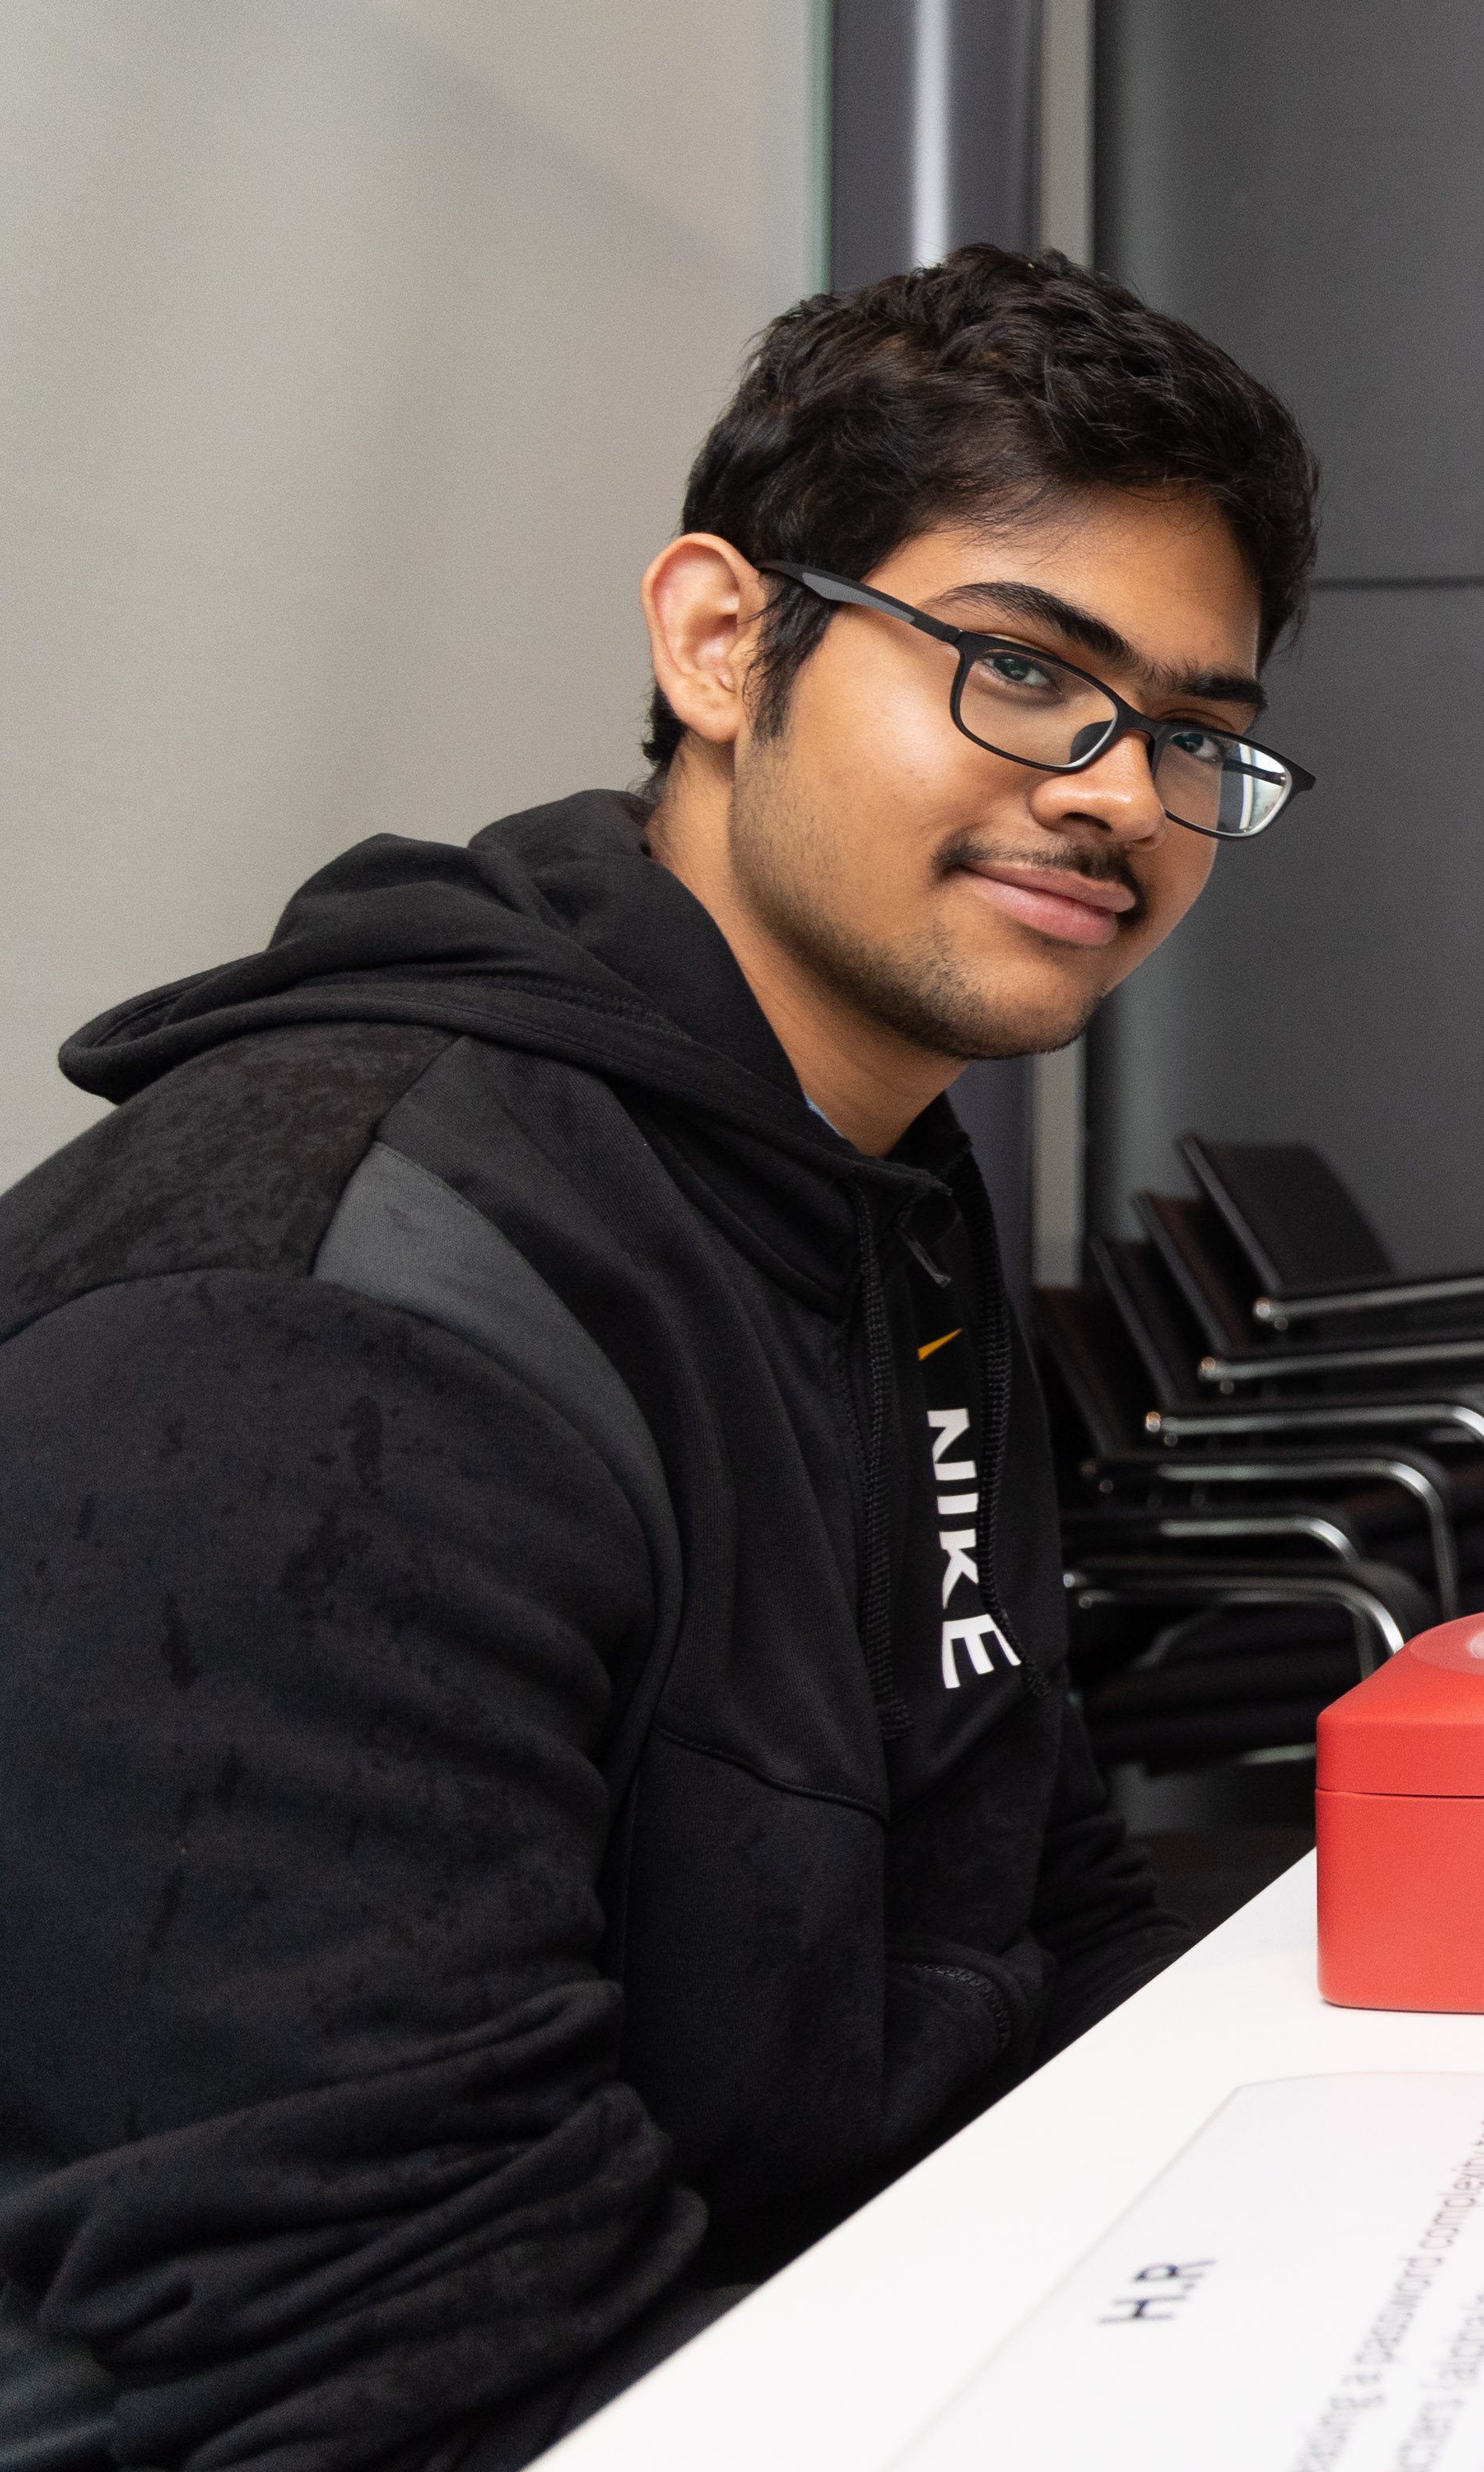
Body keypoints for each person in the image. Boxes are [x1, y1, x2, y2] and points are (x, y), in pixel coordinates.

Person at [0, 248, 1320, 2466]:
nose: (1118, 793)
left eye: (1196, 735)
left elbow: (1031, 1887)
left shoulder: (867, 1180)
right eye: (1022, 671)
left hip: (819, 2323)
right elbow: (400, 2353)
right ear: (723, 641)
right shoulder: (303, 1320)